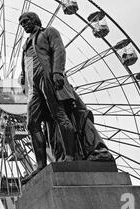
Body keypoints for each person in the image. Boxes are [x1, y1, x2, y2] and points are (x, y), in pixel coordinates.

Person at [19, 12, 113, 183]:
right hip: (34, 84)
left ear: (34, 20)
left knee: (59, 115)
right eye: (21, 23)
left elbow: (59, 50)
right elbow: (26, 64)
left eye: (25, 21)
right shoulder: (25, 44)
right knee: (31, 123)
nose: (23, 25)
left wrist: (57, 72)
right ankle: (40, 166)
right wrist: (23, 77)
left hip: (47, 75)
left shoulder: (49, 32)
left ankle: (69, 156)